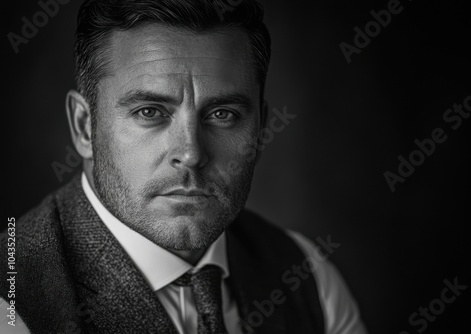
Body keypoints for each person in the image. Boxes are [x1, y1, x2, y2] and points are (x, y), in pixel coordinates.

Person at [1, 0, 367, 333]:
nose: (191, 153)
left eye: (223, 114)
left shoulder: (307, 274)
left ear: (261, 129)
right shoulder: (11, 301)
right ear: (84, 126)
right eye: (150, 112)